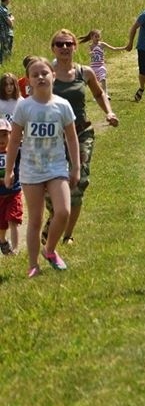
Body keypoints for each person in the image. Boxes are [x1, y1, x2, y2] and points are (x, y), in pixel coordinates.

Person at [3, 57, 80, 277]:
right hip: (31, 169)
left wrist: (75, 167)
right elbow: (15, 140)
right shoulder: (24, 107)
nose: (40, 77)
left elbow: (72, 139)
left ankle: (50, 250)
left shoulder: (62, 105)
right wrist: (9, 170)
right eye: (35, 75)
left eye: (44, 73)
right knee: (35, 219)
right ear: (28, 81)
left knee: (63, 211)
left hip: (56, 167)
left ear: (53, 75)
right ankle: (33, 265)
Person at [45, 30, 119, 246]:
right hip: (54, 136)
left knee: (78, 183)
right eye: (60, 44)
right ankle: (54, 218)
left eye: (68, 44)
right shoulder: (46, 73)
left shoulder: (84, 72)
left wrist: (109, 112)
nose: (64, 47)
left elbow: (98, 93)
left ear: (75, 46)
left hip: (81, 133)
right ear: (53, 48)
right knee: (52, 184)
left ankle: (67, 235)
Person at [78, 29, 125, 95]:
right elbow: (89, 53)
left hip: (101, 66)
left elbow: (114, 48)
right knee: (95, 83)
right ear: (91, 37)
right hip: (93, 67)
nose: (97, 38)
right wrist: (91, 53)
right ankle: (97, 95)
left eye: (98, 36)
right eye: (96, 36)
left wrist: (124, 48)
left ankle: (105, 93)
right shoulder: (90, 46)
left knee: (103, 79)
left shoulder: (102, 44)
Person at [0, 117, 22, 255]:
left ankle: (15, 249)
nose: (1, 139)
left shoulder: (16, 151)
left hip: (14, 192)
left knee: (13, 219)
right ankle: (2, 241)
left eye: (4, 135)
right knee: (2, 224)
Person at [0, 0, 15, 65]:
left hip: (5, 33)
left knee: (4, 50)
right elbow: (10, 23)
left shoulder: (4, 8)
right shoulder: (3, 10)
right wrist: (12, 18)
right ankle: (4, 64)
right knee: (6, 50)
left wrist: (11, 18)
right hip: (6, 33)